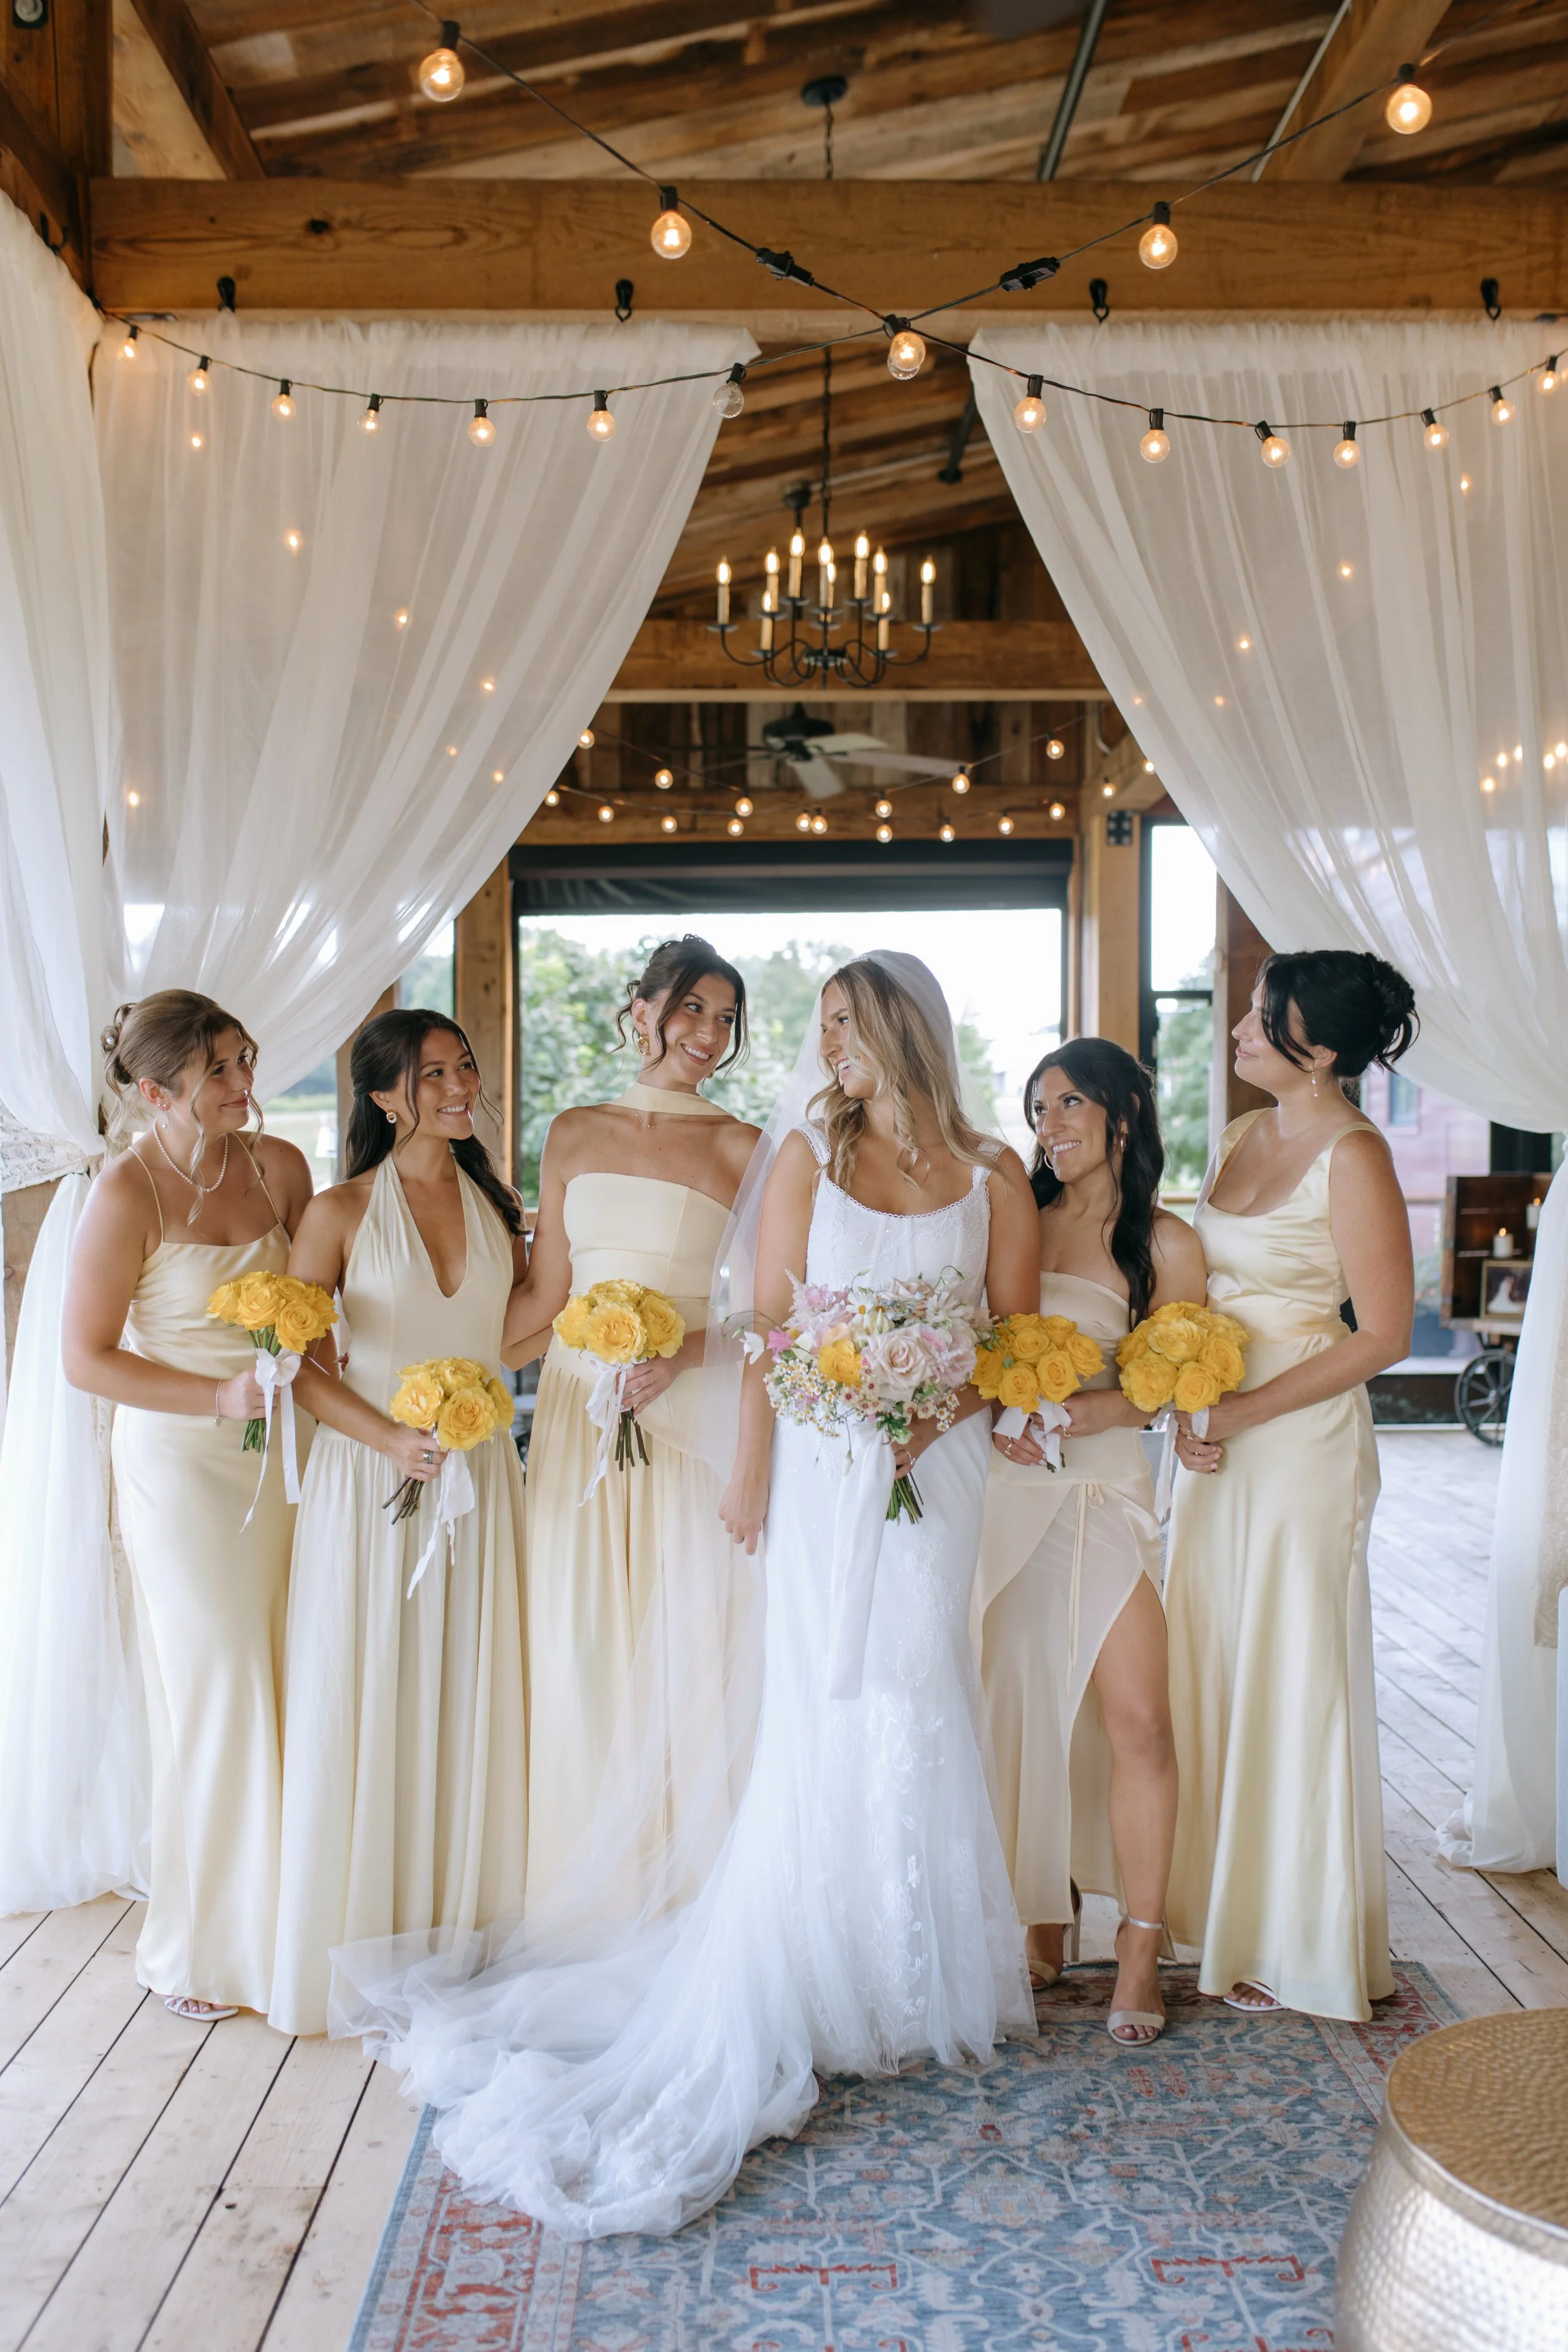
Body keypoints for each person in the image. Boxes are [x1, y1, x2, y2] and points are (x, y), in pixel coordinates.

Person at [332, 951, 1041, 2238]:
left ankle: (910, 1960)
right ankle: (653, 1910)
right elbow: (590, 1301)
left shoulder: (930, 1167)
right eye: (699, 1010)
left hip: (904, 1459)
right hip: (735, 1440)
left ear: (902, 1030)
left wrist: (918, 1415)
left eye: (820, 1021)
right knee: (657, 1667)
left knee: (913, 1682)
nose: (729, 1033)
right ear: (644, 1013)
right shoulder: (757, 1148)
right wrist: (417, 1386)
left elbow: (984, 1335)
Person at [1165, 949, 1417, 2021]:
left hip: (1302, 1436)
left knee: (1293, 1661)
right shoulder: (1239, 1136)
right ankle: (1216, 1908)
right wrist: (1183, 1396)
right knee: (1214, 1650)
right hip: (1215, 1425)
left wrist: (1248, 1409)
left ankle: (1297, 1932)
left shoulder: (1355, 1155)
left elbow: (1387, 1333)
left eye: (1260, 1017)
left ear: (1315, 1049)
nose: (1236, 1030)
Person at [268, 1010, 529, 2037]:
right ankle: (361, 1931)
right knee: (371, 1683)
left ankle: (460, 1930)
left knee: (467, 1685)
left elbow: (511, 1335)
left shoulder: (498, 1206)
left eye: (465, 1067)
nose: (462, 1086)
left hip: (481, 1477)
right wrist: (391, 1438)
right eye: (434, 1075)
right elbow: (297, 1368)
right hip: (374, 1479)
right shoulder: (338, 1212)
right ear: (384, 1096)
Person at [62, 993, 316, 2020]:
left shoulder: (281, 1167)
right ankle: (203, 1945)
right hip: (180, 1465)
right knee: (216, 1682)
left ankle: (291, 1917)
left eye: (246, 1058)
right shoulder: (126, 1191)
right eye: (221, 1070)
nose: (246, 1082)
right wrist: (218, 1396)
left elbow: (320, 1305)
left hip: (282, 1453)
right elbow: (86, 1357)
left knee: (290, 1668)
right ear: (158, 1091)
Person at [499, 938, 761, 1907]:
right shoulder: (572, 1132)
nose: (709, 1032)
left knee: (680, 1647)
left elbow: (774, 1316)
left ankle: (685, 1890)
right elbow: (546, 1296)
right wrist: (436, 1360)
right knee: (579, 1640)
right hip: (578, 1417)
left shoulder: (743, 1147)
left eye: (726, 1018)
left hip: (683, 1418)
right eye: (693, 1008)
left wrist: (683, 1355)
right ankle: (581, 1889)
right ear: (642, 1008)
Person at [978, 1040, 1207, 2045]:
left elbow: (1173, 1384)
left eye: (1069, 1101)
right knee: (1023, 1713)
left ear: (1123, 1112)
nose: (1050, 1124)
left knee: (1140, 1720)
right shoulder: (1012, 1217)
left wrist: (1077, 1411)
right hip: (1007, 1490)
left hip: (1106, 1490)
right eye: (1039, 1107)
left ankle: (1141, 1944)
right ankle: (1042, 1912)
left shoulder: (1165, 1240)